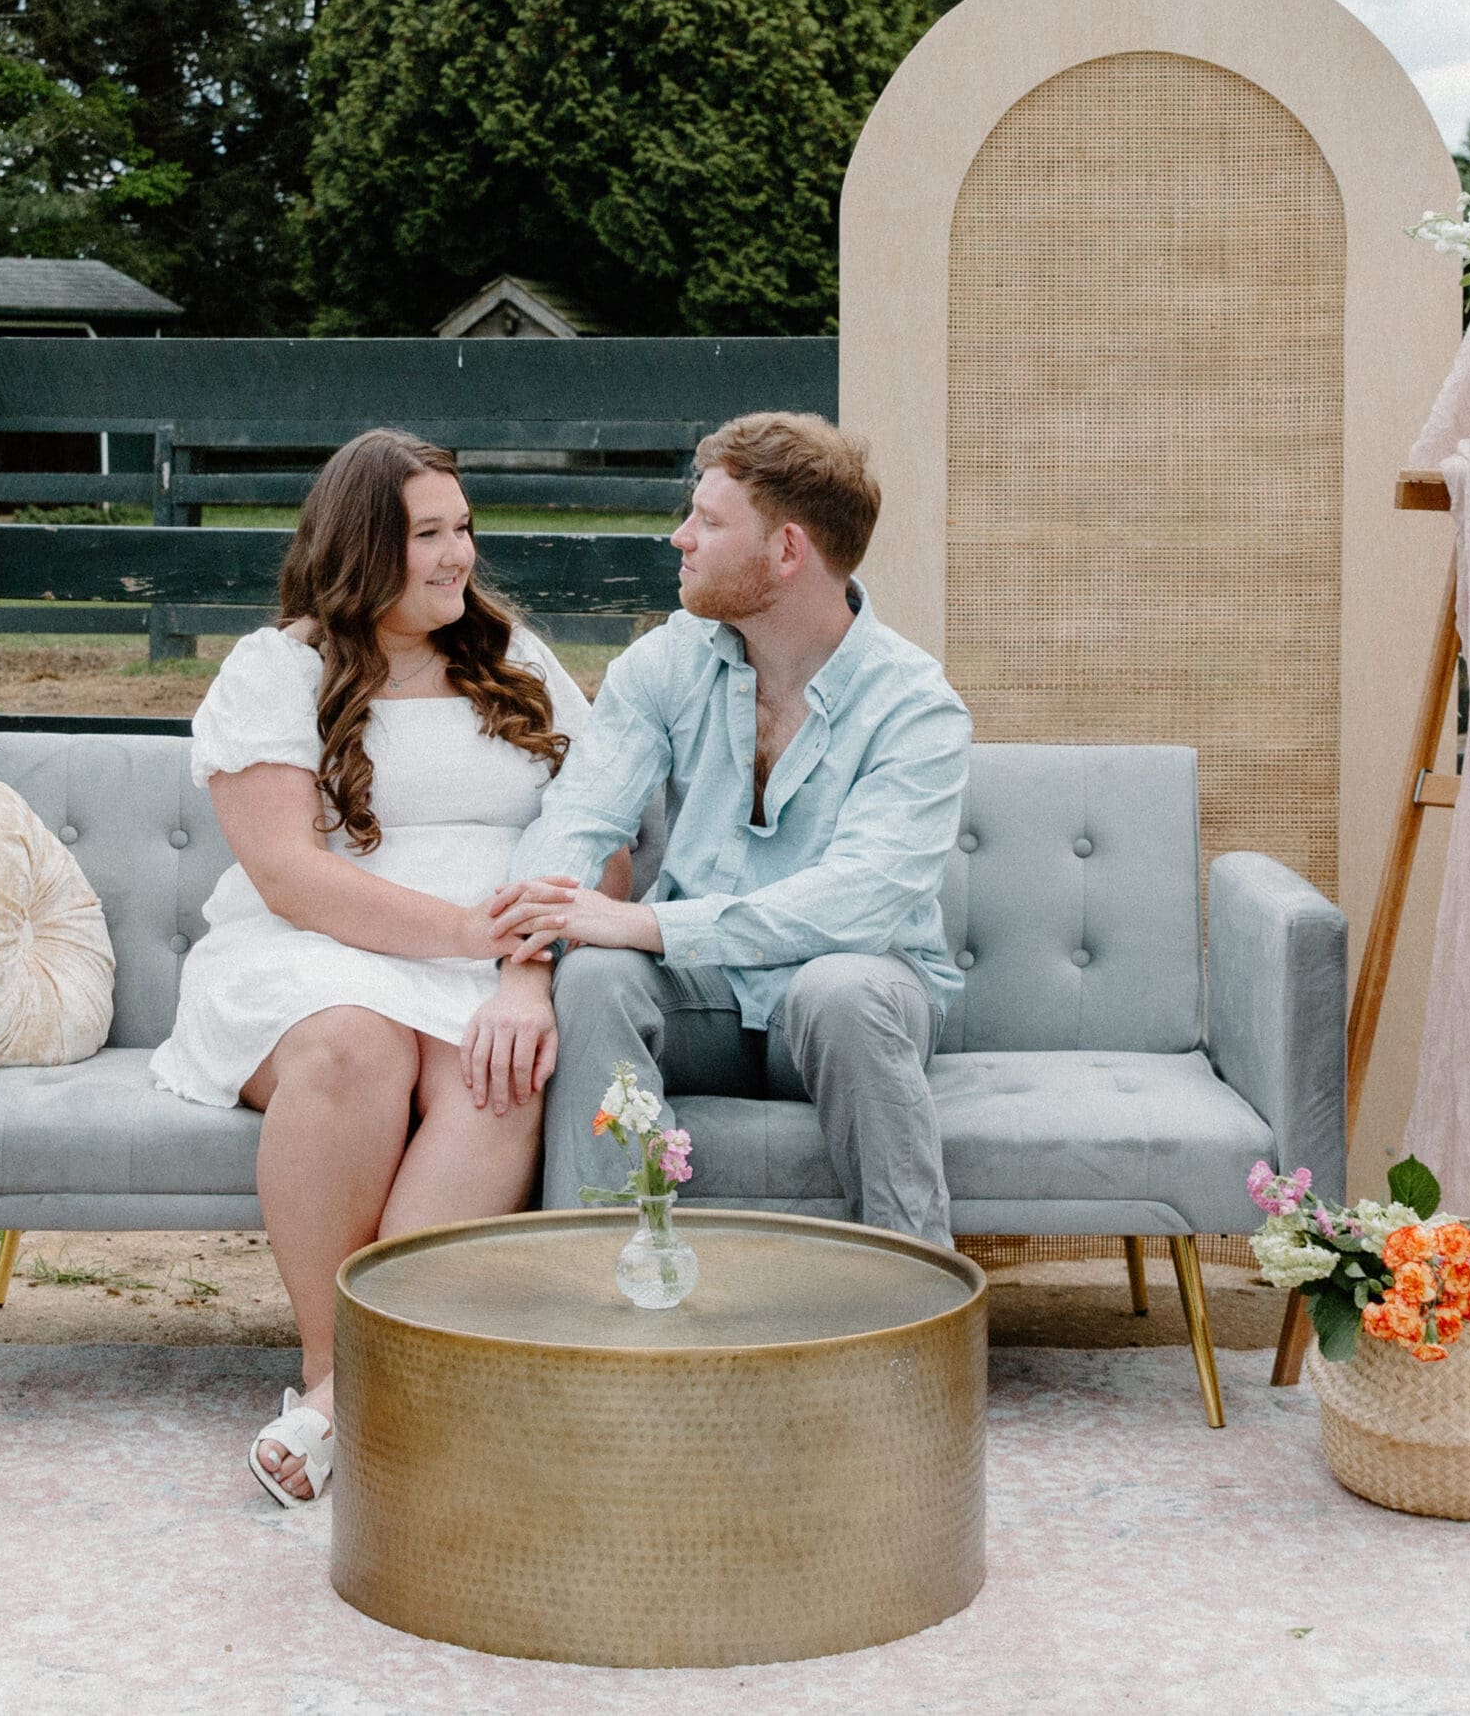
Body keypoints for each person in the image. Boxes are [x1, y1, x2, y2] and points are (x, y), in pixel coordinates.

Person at [149, 427, 616, 1508]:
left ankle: (345, 1398)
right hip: (317, 950)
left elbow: (597, 835)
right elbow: (287, 874)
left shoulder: (515, 656)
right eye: (428, 535)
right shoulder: (280, 668)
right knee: (352, 1047)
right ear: (363, 547)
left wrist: (525, 970)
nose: (459, 555)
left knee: (500, 1072)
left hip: (496, 961)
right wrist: (465, 931)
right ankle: (336, 1366)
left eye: (463, 529)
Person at [474, 411, 971, 1246]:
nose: (679, 538)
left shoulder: (915, 707)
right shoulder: (666, 662)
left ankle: (916, 1302)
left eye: (708, 522)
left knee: (840, 989)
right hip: (703, 1000)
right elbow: (578, 818)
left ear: (786, 551)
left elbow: (859, 902)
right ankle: (610, 1283)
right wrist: (525, 962)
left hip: (847, 996)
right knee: (596, 980)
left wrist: (648, 922)